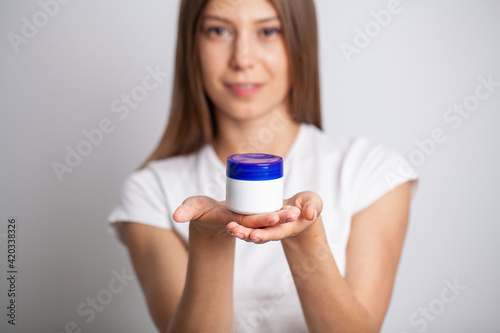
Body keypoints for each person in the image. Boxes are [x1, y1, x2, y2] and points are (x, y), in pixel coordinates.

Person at [107, 0, 419, 332]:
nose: (242, 58)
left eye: (268, 31)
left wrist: (306, 240)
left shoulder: (372, 171)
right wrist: (210, 240)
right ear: (191, 45)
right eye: (219, 30)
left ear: (300, 41)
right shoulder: (151, 190)